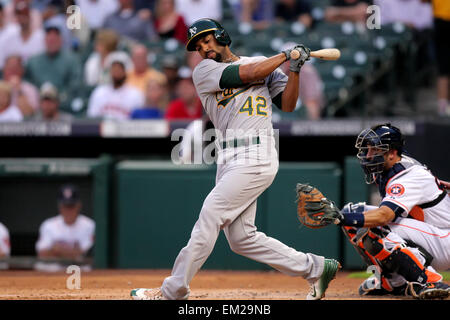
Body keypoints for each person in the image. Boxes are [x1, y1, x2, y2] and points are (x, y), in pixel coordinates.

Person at [130, 18, 340, 301]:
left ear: (222, 35)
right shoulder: (204, 71)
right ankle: (315, 268)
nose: (204, 49)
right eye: (198, 46)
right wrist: (283, 56)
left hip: (257, 153)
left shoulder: (264, 64)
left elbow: (288, 105)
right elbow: (247, 72)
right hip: (228, 157)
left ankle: (173, 291)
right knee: (242, 239)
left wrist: (294, 69)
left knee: (210, 215)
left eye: (207, 40)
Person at [337, 123, 450, 299]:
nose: (368, 155)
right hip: (429, 233)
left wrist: (339, 218)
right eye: (367, 150)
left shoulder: (406, 176)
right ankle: (392, 282)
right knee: (354, 212)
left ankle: (429, 280)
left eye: (375, 150)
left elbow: (384, 216)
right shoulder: (392, 166)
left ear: (392, 153)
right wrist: (345, 216)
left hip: (443, 240)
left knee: (375, 227)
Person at [35, 184, 95, 271]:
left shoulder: (89, 225)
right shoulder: (49, 225)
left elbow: (86, 255)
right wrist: (72, 252)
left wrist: (58, 250)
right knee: (42, 266)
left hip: (80, 270)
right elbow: (42, 253)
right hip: (54, 270)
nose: (68, 211)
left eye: (71, 206)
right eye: (65, 206)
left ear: (78, 205)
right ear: (59, 206)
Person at [25, 23, 82, 111]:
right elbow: (27, 83)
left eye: (55, 40)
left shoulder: (72, 60)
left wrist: (58, 98)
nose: (52, 42)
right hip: (38, 104)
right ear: (45, 40)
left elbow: (75, 84)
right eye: (49, 40)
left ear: (61, 40)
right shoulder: (33, 61)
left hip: (64, 104)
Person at [87, 55, 145, 120]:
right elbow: (92, 117)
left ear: (125, 71)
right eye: (114, 69)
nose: (116, 72)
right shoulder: (99, 92)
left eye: (119, 69)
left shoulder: (135, 94)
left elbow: (138, 121)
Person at [422, 0, 450, 116]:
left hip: (441, 20)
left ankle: (443, 106)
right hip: (441, 21)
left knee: (443, 67)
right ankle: (443, 106)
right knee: (443, 66)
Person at [0, 0, 45, 68]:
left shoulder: (41, 36)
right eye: (20, 15)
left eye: (24, 15)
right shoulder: (9, 35)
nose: (22, 18)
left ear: (30, 16)